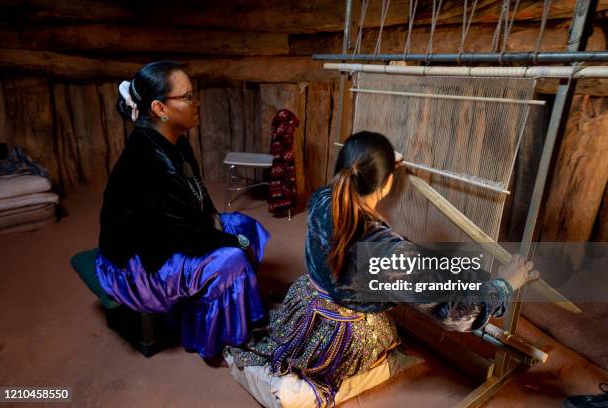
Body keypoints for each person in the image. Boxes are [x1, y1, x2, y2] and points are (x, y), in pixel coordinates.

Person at [228, 131, 538, 406]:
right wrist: (504, 285)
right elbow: (455, 313)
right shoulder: (388, 252)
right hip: (341, 334)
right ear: (387, 182)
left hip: (305, 303)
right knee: (386, 332)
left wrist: (382, 165)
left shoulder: (323, 199)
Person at [96, 61, 269, 360]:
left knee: (242, 224)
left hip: (172, 236)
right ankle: (209, 330)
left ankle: (232, 301)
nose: (196, 102)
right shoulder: (150, 161)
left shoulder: (176, 143)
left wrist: (218, 220)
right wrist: (235, 243)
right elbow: (194, 239)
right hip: (135, 268)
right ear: (159, 108)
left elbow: (198, 194)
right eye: (187, 97)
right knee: (233, 257)